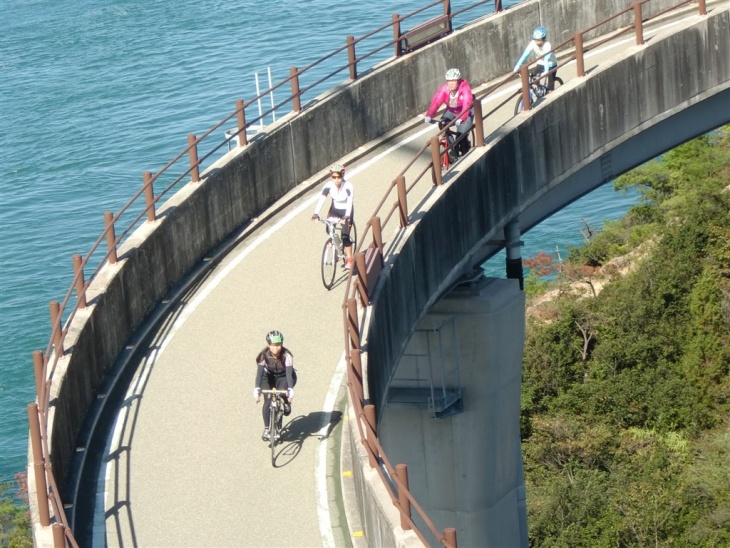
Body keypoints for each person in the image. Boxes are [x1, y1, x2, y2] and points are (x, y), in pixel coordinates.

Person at [253, 330, 296, 442]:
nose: (276, 348)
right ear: (268, 345)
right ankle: (267, 428)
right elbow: (260, 373)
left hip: (284, 376)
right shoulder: (264, 356)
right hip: (268, 377)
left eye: (279, 345)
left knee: (282, 392)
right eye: (273, 345)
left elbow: (288, 374)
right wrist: (257, 389)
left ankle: (286, 403)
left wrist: (290, 390)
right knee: (267, 401)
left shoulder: (287, 356)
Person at [311, 163, 355, 269]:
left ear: (343, 176)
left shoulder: (348, 186)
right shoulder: (328, 186)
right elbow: (322, 199)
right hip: (335, 210)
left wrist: (346, 217)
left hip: (346, 211)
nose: (336, 179)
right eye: (334, 177)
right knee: (329, 228)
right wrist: (315, 213)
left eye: (339, 176)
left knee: (345, 236)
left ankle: (349, 258)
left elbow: (349, 203)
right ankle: (333, 246)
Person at [423, 68, 474, 158]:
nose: (451, 83)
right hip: (451, 111)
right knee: (443, 124)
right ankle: (453, 148)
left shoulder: (464, 88)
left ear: (458, 81)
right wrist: (429, 115)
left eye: (453, 81)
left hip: (466, 112)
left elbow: (467, 103)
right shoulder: (445, 89)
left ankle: (465, 153)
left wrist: (462, 118)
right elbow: (436, 102)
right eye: (449, 81)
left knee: (461, 136)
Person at [513, 26, 558, 92]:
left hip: (551, 64)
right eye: (535, 39)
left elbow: (546, 58)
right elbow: (525, 55)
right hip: (541, 63)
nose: (536, 42)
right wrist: (517, 66)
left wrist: (546, 71)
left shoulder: (547, 45)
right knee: (534, 78)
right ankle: (539, 90)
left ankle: (550, 91)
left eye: (539, 40)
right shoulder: (532, 43)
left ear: (543, 39)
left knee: (550, 86)